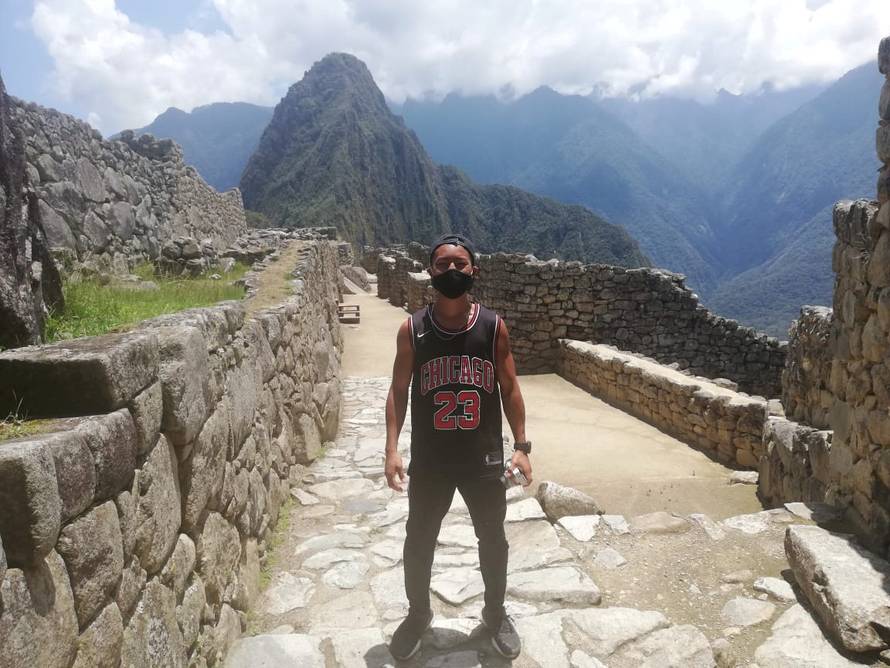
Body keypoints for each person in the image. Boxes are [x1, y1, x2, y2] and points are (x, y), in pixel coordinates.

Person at [384, 233, 533, 661]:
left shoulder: (492, 328)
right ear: (430, 271)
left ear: (474, 271)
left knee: (493, 538)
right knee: (419, 539)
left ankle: (495, 613)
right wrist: (392, 449)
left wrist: (521, 446)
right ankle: (417, 615)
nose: (452, 271)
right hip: (430, 461)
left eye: (460, 264)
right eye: (443, 264)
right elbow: (398, 391)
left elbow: (509, 388)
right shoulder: (413, 329)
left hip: (483, 460)